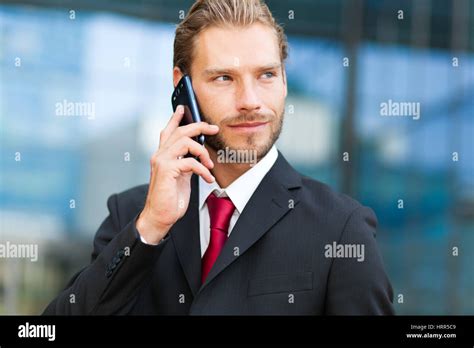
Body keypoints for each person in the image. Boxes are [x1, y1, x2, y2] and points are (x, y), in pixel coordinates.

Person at [44, 0, 394, 315]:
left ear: (285, 80)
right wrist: (150, 227)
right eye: (225, 78)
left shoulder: (341, 230)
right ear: (183, 86)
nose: (250, 101)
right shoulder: (132, 215)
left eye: (267, 75)